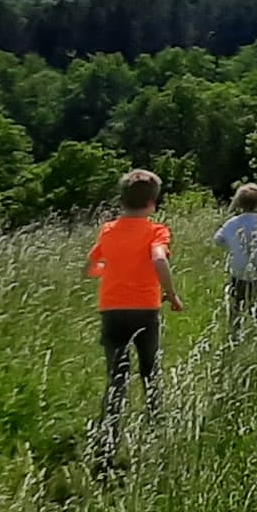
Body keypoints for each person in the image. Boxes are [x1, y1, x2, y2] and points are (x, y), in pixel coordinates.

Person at [85, 168, 184, 423]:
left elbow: (89, 266)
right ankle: (155, 422)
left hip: (112, 308)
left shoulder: (108, 230)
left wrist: (106, 270)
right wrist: (171, 295)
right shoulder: (156, 231)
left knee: (117, 376)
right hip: (145, 310)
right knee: (150, 369)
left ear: (122, 201)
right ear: (152, 203)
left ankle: (108, 436)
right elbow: (159, 259)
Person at [216, 182, 257, 328]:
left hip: (237, 266)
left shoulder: (232, 222)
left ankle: (234, 330)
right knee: (255, 301)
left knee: (236, 301)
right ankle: (256, 328)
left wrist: (232, 247)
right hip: (255, 267)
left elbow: (218, 239)